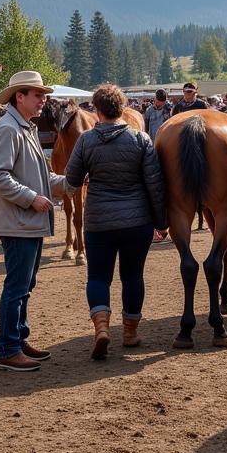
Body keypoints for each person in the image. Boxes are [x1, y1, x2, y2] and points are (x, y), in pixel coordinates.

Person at [65, 83, 167, 359]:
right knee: (132, 276)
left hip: (99, 221)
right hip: (137, 221)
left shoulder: (86, 141)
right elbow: (154, 185)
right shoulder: (141, 140)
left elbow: (72, 180)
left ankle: (101, 329)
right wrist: (161, 222)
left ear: (96, 110)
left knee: (98, 276)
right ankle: (131, 332)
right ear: (123, 108)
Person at [0, 70, 69, 372]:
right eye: (38, 95)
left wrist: (67, 183)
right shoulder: (8, 130)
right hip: (19, 221)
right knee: (17, 286)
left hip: (26, 221)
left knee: (24, 284)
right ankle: (8, 348)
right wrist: (31, 198)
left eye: (43, 95)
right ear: (19, 96)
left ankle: (17, 340)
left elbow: (42, 177)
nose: (43, 101)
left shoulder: (24, 128)